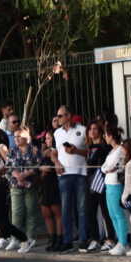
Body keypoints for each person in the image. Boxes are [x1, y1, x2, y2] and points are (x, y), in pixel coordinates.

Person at [51, 105, 87, 253]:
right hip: (64, 175)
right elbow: (53, 152)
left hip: (80, 174)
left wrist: (76, 150)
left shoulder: (83, 130)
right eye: (57, 116)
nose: (58, 119)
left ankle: (83, 239)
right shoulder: (57, 133)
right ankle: (67, 241)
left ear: (68, 116)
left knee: (82, 209)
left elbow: (89, 152)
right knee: (66, 209)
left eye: (60, 116)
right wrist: (56, 162)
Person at [81, 122, 115, 253]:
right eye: (90, 129)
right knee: (90, 211)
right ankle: (94, 239)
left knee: (106, 212)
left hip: (102, 182)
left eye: (95, 129)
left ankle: (110, 239)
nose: (92, 131)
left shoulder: (105, 147)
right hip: (90, 183)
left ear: (100, 131)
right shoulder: (89, 147)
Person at [7, 128, 42, 253]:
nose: (16, 139)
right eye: (15, 137)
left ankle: (30, 238)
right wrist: (17, 175)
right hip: (16, 184)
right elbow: (9, 166)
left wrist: (25, 175)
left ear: (26, 137)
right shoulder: (12, 150)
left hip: (30, 184)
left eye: (18, 136)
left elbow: (37, 165)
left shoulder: (34, 150)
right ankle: (16, 238)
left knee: (30, 210)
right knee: (16, 212)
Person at [101, 126, 130, 256]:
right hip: (108, 183)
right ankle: (120, 241)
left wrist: (110, 168)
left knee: (118, 214)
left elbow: (119, 165)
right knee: (112, 215)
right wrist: (108, 169)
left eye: (106, 135)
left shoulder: (120, 149)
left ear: (111, 136)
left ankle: (123, 242)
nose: (104, 137)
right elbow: (104, 167)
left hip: (116, 184)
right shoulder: (111, 151)